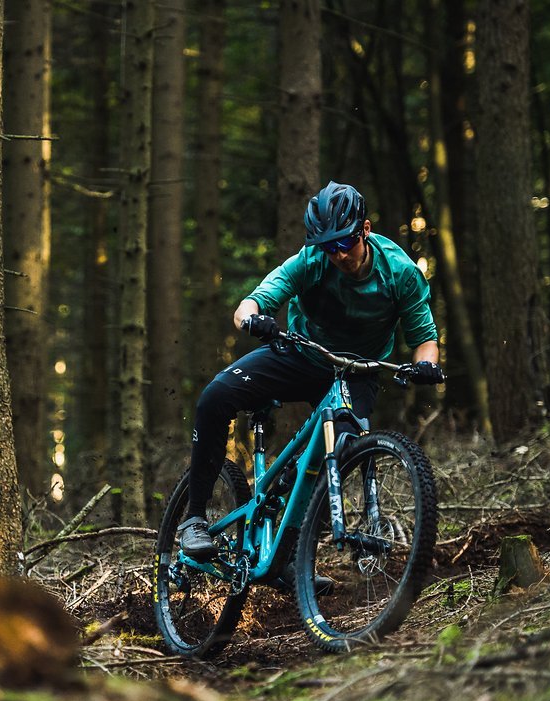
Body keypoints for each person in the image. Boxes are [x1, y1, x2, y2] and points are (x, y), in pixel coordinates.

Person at [179, 181, 444, 562]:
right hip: (301, 355)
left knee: (342, 449)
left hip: (357, 371)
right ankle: (194, 519)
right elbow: (250, 303)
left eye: (344, 243)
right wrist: (254, 320)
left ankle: (291, 557)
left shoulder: (399, 272)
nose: (337, 254)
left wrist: (426, 366)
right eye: (327, 246)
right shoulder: (312, 259)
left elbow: (425, 338)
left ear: (365, 230)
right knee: (215, 398)